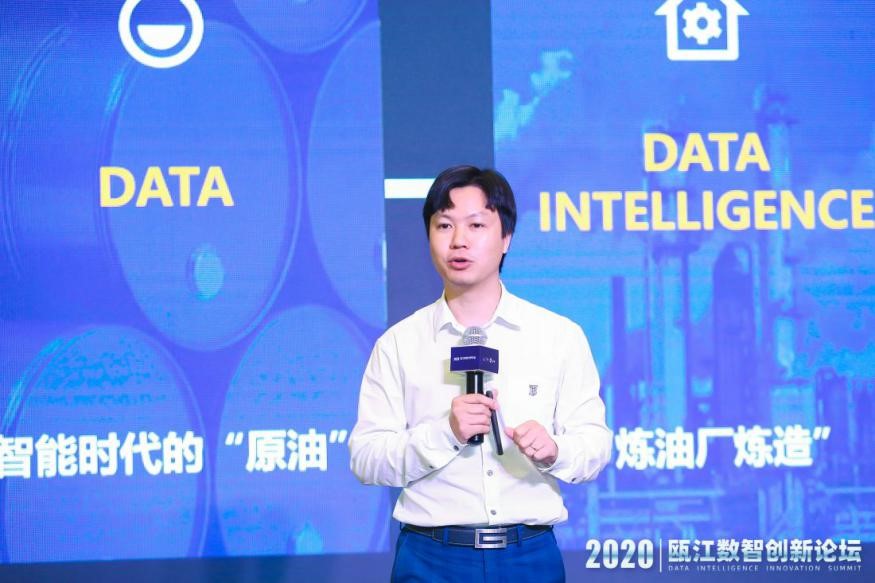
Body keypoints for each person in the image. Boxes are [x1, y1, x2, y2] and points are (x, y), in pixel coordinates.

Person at [348, 165, 612, 582]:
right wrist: (445, 434)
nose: (459, 240)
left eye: (476, 225)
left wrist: (555, 450)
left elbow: (595, 445)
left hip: (528, 555)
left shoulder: (558, 336)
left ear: (506, 237)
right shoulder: (399, 344)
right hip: (431, 557)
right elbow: (366, 458)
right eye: (444, 225)